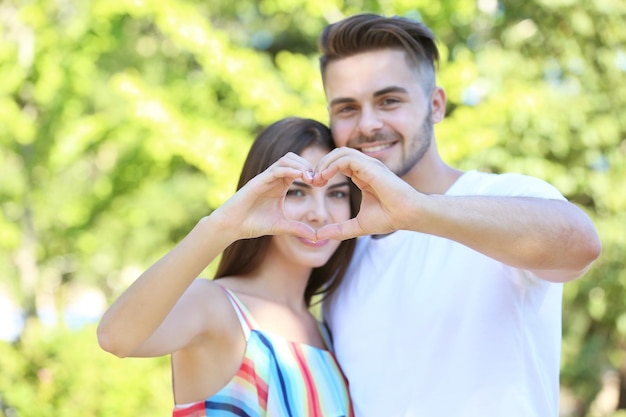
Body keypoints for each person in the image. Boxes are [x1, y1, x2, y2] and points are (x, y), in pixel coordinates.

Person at [310, 13, 602, 417]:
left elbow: (581, 244)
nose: (368, 124)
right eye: (346, 108)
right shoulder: (341, 251)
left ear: (435, 105)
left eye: (389, 100)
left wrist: (417, 209)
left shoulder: (501, 197)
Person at [97, 117, 358, 417]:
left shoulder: (324, 330)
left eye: (337, 193)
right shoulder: (215, 306)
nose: (320, 214)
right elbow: (114, 337)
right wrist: (223, 225)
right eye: (297, 191)